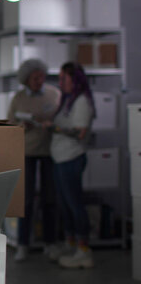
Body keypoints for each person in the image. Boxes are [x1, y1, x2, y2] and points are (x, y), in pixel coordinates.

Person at [42, 62, 95, 269]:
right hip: (60, 159)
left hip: (71, 159)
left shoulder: (82, 102)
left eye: (64, 78)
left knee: (74, 205)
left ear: (75, 80)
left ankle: (83, 250)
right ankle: (70, 243)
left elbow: (80, 132)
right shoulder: (68, 101)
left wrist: (52, 127)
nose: (61, 82)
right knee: (65, 206)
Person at [7, 59, 60, 262]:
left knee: (50, 199)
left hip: (49, 153)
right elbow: (10, 125)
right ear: (26, 79)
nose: (40, 80)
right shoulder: (18, 99)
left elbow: (61, 117)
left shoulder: (54, 94)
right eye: (35, 77)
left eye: (42, 77)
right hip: (26, 152)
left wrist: (50, 123)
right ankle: (23, 244)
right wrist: (23, 125)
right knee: (26, 200)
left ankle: (50, 243)